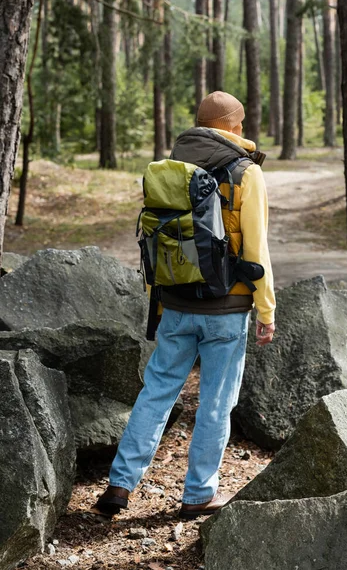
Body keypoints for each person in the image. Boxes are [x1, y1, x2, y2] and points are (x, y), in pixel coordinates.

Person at [91, 91, 276, 520]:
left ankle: (120, 484)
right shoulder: (245, 171)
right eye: (241, 123)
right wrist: (266, 310)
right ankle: (198, 495)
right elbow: (258, 249)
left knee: (155, 393)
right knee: (215, 402)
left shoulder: (170, 166)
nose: (244, 130)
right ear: (231, 126)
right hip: (227, 308)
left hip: (174, 302)